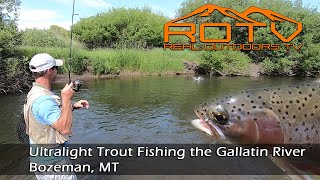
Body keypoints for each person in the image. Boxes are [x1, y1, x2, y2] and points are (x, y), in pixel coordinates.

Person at [24, 53, 89, 180]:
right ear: (49, 70)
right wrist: (66, 99)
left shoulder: (34, 93)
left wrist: (72, 106)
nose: (57, 71)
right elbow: (64, 128)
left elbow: (46, 118)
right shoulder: (44, 100)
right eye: (56, 68)